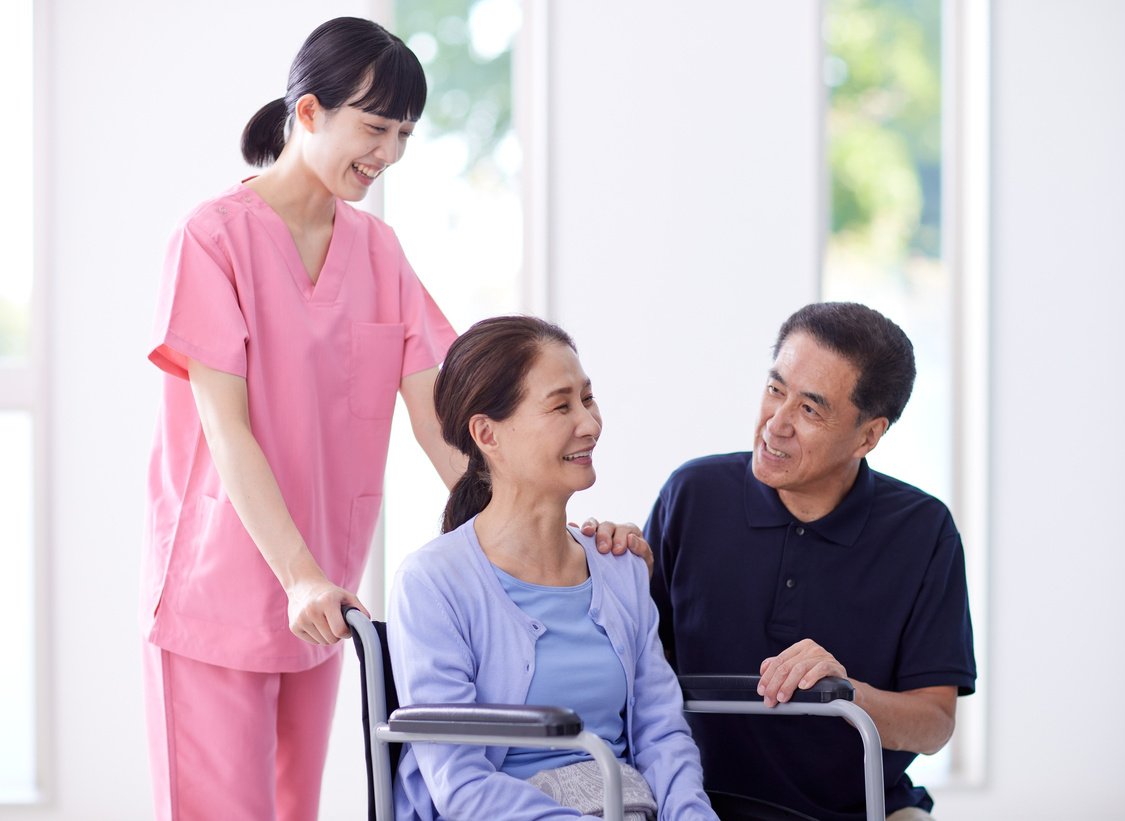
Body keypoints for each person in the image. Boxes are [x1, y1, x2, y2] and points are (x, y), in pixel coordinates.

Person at [141, 19, 643, 821]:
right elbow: (225, 429)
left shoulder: (378, 252)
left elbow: (444, 423)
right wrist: (297, 570)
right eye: (375, 128)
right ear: (308, 114)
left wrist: (544, 537)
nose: (389, 153)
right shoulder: (212, 239)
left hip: (330, 598)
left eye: (404, 133)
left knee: (294, 809)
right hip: (228, 584)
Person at [645, 302, 977, 821]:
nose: (775, 425)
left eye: (809, 409)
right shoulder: (692, 494)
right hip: (695, 803)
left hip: (863, 808)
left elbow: (935, 722)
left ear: (868, 436)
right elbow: (633, 666)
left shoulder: (923, 530)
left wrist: (848, 694)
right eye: (776, 389)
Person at [387, 316, 718, 820]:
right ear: (487, 434)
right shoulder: (432, 584)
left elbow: (661, 733)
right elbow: (461, 783)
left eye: (587, 399)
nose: (589, 423)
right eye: (560, 405)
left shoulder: (620, 568)